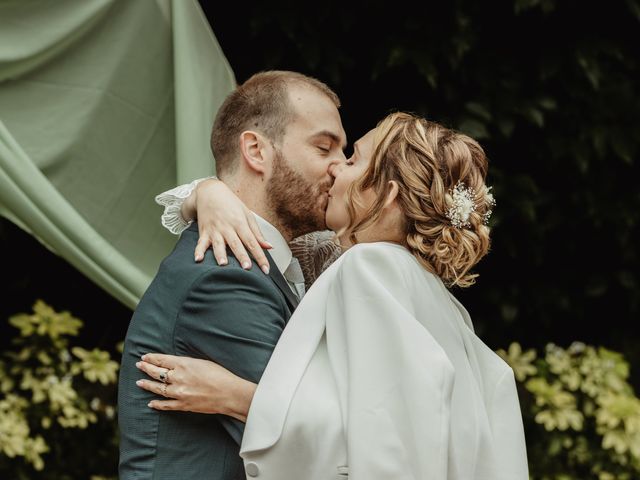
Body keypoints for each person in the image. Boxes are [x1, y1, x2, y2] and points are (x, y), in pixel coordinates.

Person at [136, 112, 530, 479]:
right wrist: (207, 192)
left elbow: (388, 444)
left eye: (353, 159)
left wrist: (237, 397)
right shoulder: (431, 292)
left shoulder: (370, 268)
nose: (336, 168)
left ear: (388, 193)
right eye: (327, 151)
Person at [117, 70, 347, 479]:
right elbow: (307, 453)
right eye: (324, 147)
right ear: (256, 151)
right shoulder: (224, 274)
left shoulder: (297, 262)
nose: (340, 169)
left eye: (344, 153)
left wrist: (204, 190)